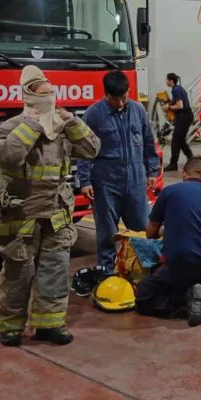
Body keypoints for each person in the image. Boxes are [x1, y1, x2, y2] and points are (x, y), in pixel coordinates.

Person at [0, 66, 101, 346]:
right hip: (21, 216)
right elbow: (7, 156)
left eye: (52, 94)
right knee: (18, 274)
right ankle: (10, 327)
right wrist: (32, 124)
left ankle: (49, 325)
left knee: (55, 272)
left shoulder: (63, 129)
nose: (49, 100)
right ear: (28, 97)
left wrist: (71, 121)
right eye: (43, 95)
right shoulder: (11, 127)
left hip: (56, 215)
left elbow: (92, 149)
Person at [78, 71, 160, 271]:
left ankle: (143, 271)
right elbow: (83, 149)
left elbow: (148, 141)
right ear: (106, 94)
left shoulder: (138, 110)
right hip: (106, 181)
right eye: (115, 99)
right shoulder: (93, 114)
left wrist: (152, 171)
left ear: (129, 92)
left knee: (142, 229)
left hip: (135, 179)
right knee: (107, 232)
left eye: (124, 97)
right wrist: (85, 180)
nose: (121, 103)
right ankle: (106, 272)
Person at [136, 157, 201, 326]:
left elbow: (150, 233)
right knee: (188, 276)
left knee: (144, 296)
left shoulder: (170, 192)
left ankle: (186, 301)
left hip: (180, 266)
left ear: (184, 174)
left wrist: (167, 231)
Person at [163, 73, 195, 173]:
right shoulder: (178, 88)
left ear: (171, 81)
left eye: (167, 79)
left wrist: (168, 107)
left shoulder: (175, 90)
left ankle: (173, 164)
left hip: (184, 116)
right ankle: (191, 159)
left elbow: (180, 105)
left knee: (176, 141)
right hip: (185, 116)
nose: (165, 81)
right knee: (180, 140)